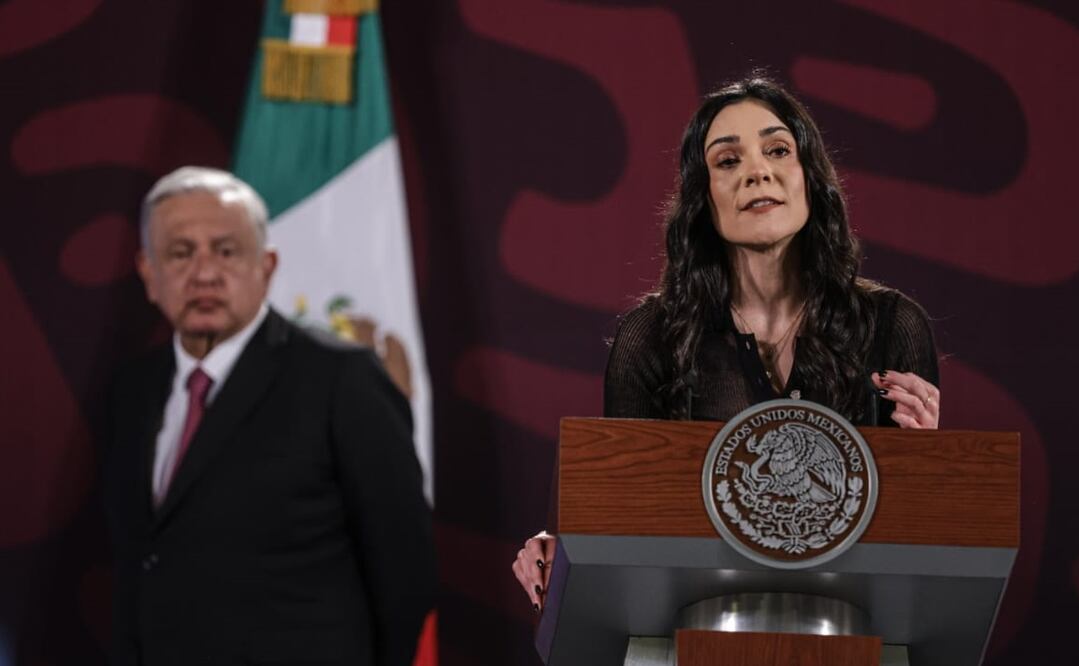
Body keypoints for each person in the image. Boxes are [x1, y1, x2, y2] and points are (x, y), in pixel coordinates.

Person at [512, 75, 941, 612]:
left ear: (809, 177)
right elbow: (625, 520)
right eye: (727, 161)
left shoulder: (893, 325)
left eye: (778, 150)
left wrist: (929, 465)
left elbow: (916, 543)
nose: (757, 170)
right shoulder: (653, 338)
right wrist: (564, 552)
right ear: (703, 196)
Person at [104, 166, 435, 666]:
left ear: (268, 265)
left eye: (227, 250)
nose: (205, 272)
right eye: (180, 252)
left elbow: (404, 567)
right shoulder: (132, 390)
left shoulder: (342, 378)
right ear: (148, 274)